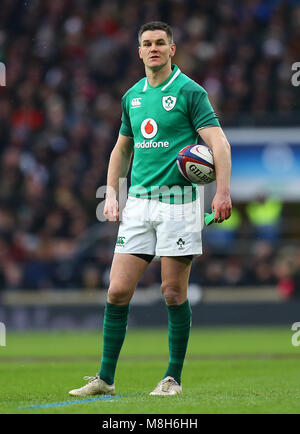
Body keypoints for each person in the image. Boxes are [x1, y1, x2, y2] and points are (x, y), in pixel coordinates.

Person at [69, 21, 232, 397]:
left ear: (172, 49)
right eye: (147, 44)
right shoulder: (132, 97)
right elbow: (121, 149)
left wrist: (221, 192)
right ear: (139, 52)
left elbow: (218, 143)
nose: (154, 48)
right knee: (116, 292)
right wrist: (111, 194)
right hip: (139, 204)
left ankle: (172, 378)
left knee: (172, 293)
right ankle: (105, 380)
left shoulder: (191, 92)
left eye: (161, 43)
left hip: (180, 203)